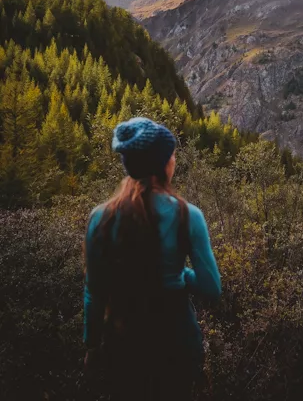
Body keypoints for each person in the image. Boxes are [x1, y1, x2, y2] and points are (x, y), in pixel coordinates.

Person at [83, 117, 221, 401]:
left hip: (122, 346)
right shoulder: (187, 215)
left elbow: (94, 291)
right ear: (162, 164)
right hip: (176, 345)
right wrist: (182, 274)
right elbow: (211, 287)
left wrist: (92, 345)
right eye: (171, 154)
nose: (174, 159)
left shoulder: (100, 218)